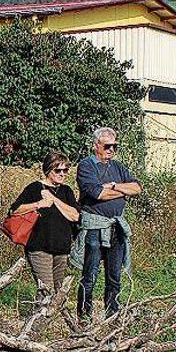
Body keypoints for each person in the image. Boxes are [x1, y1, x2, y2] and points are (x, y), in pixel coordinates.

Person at [74, 127, 142, 319]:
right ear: (97, 146)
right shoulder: (86, 166)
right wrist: (123, 191)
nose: (111, 150)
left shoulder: (118, 167)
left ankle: (112, 316)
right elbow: (97, 193)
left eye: (114, 146)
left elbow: (137, 188)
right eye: (107, 146)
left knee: (114, 276)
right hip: (95, 226)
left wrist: (114, 186)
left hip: (116, 227)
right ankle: (84, 318)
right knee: (90, 275)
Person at [9, 152, 80, 301]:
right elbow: (15, 209)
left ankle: (52, 322)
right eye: (58, 170)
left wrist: (53, 200)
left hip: (62, 248)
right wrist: (38, 204)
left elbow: (75, 215)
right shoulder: (35, 188)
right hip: (39, 246)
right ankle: (37, 323)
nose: (62, 174)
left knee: (59, 292)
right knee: (46, 290)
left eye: (65, 170)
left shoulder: (66, 191)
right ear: (48, 170)